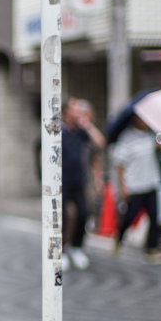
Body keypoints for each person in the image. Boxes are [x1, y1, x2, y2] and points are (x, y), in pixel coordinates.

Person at [110, 115, 161, 264]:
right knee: (130, 216)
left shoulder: (152, 135)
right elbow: (120, 163)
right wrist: (122, 186)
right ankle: (119, 238)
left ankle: (151, 248)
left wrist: (160, 146)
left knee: (154, 217)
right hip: (135, 185)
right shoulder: (127, 138)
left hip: (151, 183)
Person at [61, 98, 105, 269]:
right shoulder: (57, 131)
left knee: (83, 214)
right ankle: (61, 250)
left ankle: (76, 247)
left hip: (79, 180)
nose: (78, 111)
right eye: (75, 109)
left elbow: (99, 142)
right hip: (62, 181)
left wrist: (87, 125)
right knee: (62, 217)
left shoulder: (80, 132)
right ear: (65, 112)